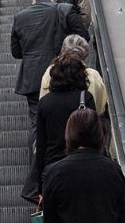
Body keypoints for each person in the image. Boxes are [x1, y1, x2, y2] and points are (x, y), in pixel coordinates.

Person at [11, 0, 89, 202]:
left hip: (33, 82)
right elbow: (84, 36)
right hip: (63, 74)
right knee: (70, 119)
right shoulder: (64, 9)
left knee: (38, 127)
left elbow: (16, 52)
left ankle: (37, 178)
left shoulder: (20, 17)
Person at [42, 108, 125, 223]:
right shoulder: (113, 170)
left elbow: (50, 218)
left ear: (69, 133)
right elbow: (122, 217)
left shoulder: (54, 172)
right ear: (99, 133)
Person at [34, 54, 96, 196]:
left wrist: (40, 184)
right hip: (83, 166)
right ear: (80, 75)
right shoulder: (86, 98)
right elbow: (95, 134)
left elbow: (41, 145)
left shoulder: (45, 103)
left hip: (53, 168)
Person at [40, 35, 106, 115]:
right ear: (84, 55)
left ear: (62, 51)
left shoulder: (51, 72)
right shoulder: (93, 75)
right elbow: (100, 108)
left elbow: (43, 102)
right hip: (84, 123)